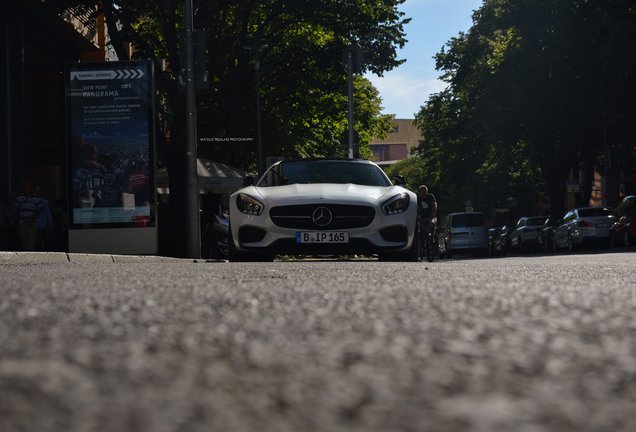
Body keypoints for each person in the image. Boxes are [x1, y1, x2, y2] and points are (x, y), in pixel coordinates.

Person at [16, 182, 46, 251]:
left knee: (31, 241)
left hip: (32, 223)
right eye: (26, 187)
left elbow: (41, 209)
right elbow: (15, 208)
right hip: (22, 223)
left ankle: (30, 258)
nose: (28, 189)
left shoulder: (36, 199)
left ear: (32, 189)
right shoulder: (20, 198)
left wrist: (32, 218)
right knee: (23, 241)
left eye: (29, 187)